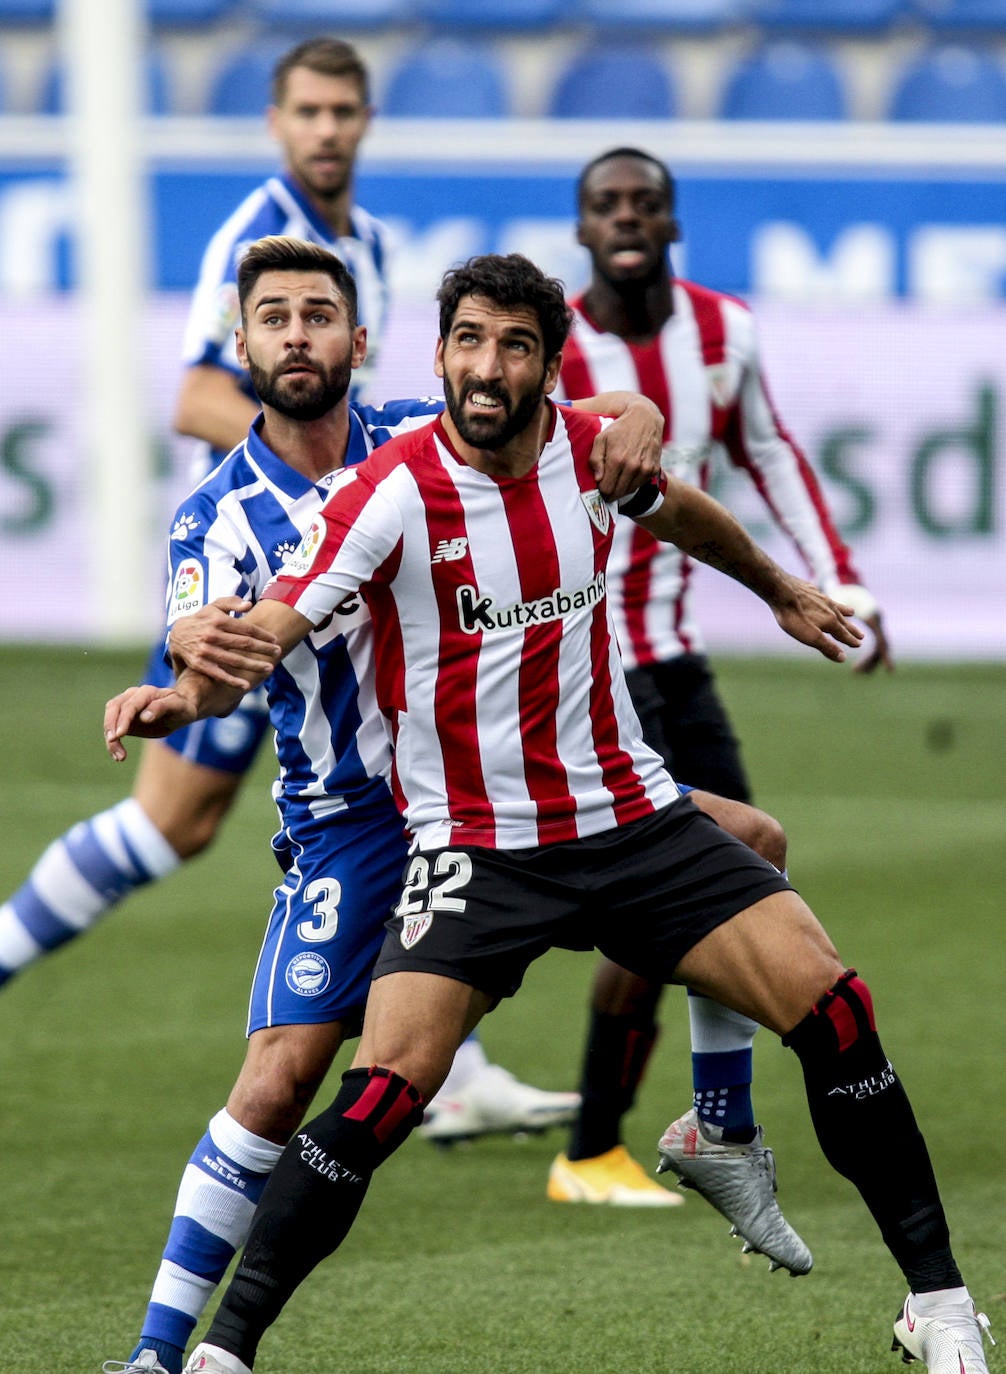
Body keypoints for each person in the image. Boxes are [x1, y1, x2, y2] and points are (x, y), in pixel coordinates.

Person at [105, 253, 991, 1374]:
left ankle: (938, 1302)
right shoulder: (385, 493)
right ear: (438, 355)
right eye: (469, 341)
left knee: (836, 1006)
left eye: (514, 345)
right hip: (474, 849)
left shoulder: (584, 448)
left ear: (546, 366)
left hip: (630, 823)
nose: (487, 366)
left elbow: (683, 510)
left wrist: (777, 589)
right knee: (374, 1095)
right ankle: (217, 1352)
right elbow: (278, 623)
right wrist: (183, 691)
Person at [98, 235, 677, 1374]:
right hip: (358, 821)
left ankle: (717, 1124)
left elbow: (580, 408)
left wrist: (642, 416)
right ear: (245, 346)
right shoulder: (216, 517)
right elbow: (201, 638)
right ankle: (162, 1356)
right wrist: (178, 680)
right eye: (274, 318)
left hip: (497, 782)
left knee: (739, 844)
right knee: (277, 1082)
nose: (298, 334)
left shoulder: (422, 426)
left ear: (359, 343)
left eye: (320, 315)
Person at [0, 36, 570, 1144]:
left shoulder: (371, 247)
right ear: (275, 122)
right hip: (265, 578)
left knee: (381, 802)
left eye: (343, 111)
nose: (325, 130)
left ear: (364, 121)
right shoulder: (248, 238)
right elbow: (200, 400)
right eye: (306, 111)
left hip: (338, 588)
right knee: (177, 817)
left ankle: (448, 1068)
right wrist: (342, 504)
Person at [546, 145, 896, 1217]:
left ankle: (708, 1124)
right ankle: (592, 1141)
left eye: (645, 203)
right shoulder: (552, 344)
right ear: (582, 226)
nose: (627, 218)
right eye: (607, 204)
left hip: (673, 657)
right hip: (584, 668)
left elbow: (772, 452)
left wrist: (834, 581)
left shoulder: (723, 331)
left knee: (749, 864)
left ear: (673, 222)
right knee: (660, 900)